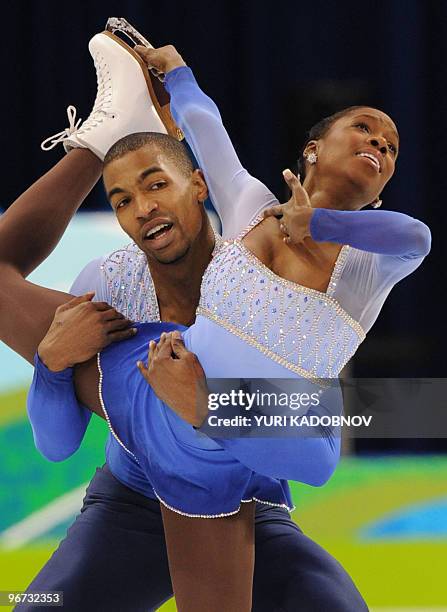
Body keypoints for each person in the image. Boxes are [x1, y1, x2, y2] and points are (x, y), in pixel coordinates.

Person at [2, 32, 369, 612]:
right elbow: (57, 444)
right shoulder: (108, 285)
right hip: (127, 514)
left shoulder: (262, 283)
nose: (143, 208)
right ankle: (99, 141)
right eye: (122, 200)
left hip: (248, 510)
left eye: (155, 185)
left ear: (197, 186)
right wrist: (49, 365)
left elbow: (318, 457)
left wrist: (206, 405)